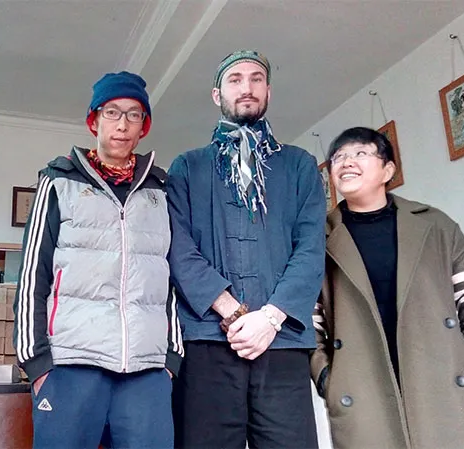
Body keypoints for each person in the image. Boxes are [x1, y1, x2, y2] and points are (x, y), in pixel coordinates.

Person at [13, 71, 182, 448]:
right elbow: (32, 277)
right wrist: (36, 363)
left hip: (147, 370)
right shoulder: (58, 182)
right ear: (94, 120)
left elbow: (173, 277)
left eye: (134, 115)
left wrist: (171, 358)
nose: (122, 124)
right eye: (112, 112)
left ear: (143, 126)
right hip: (71, 364)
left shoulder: (161, 191)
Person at [167, 50, 326, 448]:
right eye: (235, 79)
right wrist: (233, 312)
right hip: (207, 340)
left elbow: (311, 249)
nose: (247, 88)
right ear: (217, 94)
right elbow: (178, 250)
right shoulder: (187, 168)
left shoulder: (300, 165)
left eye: (256, 79)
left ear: (268, 91)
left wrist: (269, 319)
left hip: (282, 339)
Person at [311, 126, 464, 449]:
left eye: (360, 153)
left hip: (442, 381)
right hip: (360, 387)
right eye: (338, 157)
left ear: (388, 170)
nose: (346, 162)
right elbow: (307, 317)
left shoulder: (435, 224)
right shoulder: (317, 239)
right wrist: (327, 377)